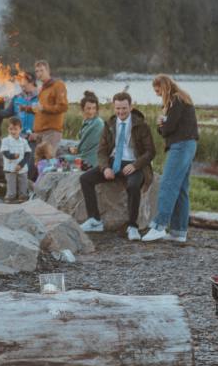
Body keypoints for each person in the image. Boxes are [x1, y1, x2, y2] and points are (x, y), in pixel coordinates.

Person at [81, 93, 155, 239]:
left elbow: (150, 151)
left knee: (133, 186)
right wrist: (105, 167)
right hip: (113, 162)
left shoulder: (141, 125)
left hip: (134, 164)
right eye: (118, 108)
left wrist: (135, 165)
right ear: (114, 107)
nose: (121, 112)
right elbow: (101, 151)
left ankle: (132, 226)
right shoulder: (109, 125)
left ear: (131, 107)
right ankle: (95, 220)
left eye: (124, 108)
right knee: (85, 179)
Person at [141, 75, 199, 244]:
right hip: (188, 145)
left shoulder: (175, 101)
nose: (157, 94)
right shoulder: (182, 99)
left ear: (164, 87)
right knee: (180, 188)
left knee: (168, 184)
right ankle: (179, 231)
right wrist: (164, 126)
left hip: (181, 146)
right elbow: (171, 127)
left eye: (157, 90)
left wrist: (160, 123)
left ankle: (159, 226)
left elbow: (168, 129)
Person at [29, 61, 68, 151]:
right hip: (39, 133)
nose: (39, 73)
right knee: (39, 163)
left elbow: (63, 107)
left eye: (42, 70)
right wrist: (26, 109)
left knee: (47, 163)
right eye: (37, 71)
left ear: (48, 71)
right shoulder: (42, 88)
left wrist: (43, 108)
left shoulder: (58, 85)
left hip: (51, 132)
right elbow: (40, 111)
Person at [0, 117, 32, 203]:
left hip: (22, 167)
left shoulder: (24, 141)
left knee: (23, 181)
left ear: (20, 129)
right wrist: (13, 156)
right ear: (8, 129)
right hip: (10, 168)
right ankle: (10, 197)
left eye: (15, 129)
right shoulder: (5, 141)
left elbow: (28, 154)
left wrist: (21, 164)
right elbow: (5, 153)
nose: (13, 131)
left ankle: (23, 196)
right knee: (11, 183)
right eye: (11, 129)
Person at [76, 92, 103, 170]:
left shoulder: (97, 123)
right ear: (83, 108)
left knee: (64, 158)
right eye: (88, 108)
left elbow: (84, 146)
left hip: (92, 160)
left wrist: (75, 149)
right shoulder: (87, 121)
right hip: (85, 156)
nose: (91, 111)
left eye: (94, 108)